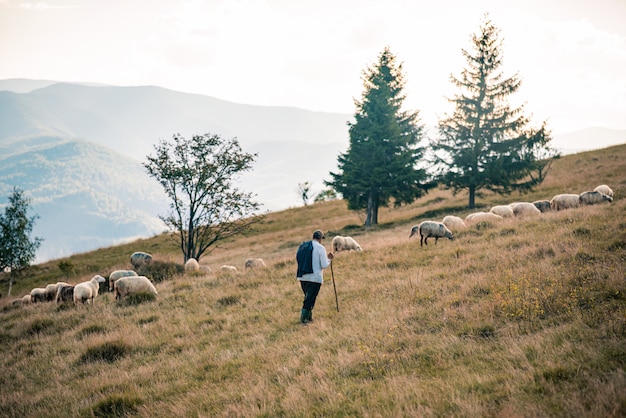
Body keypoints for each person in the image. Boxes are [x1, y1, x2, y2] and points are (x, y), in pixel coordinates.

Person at [296, 229, 334, 324]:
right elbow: (324, 264)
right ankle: (304, 319)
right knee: (310, 299)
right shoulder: (320, 248)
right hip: (315, 278)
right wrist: (329, 259)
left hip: (302, 277)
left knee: (308, 298)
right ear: (320, 238)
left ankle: (309, 318)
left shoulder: (303, 246)